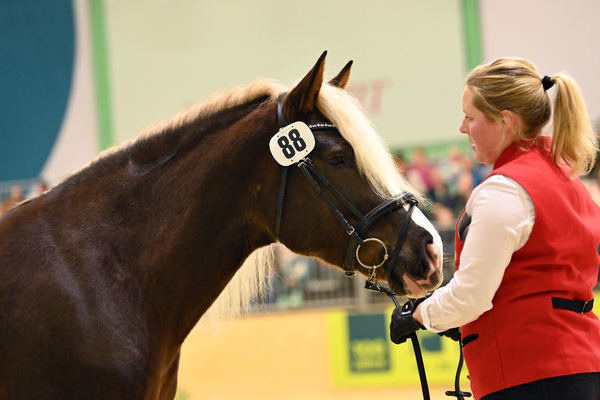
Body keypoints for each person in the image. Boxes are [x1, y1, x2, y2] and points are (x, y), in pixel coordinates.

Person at [390, 57, 600, 399]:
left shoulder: (504, 189)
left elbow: (470, 296)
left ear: (506, 121)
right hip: (582, 367)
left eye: (470, 118)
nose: (462, 128)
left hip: (528, 378)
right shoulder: (566, 176)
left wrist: (418, 314)